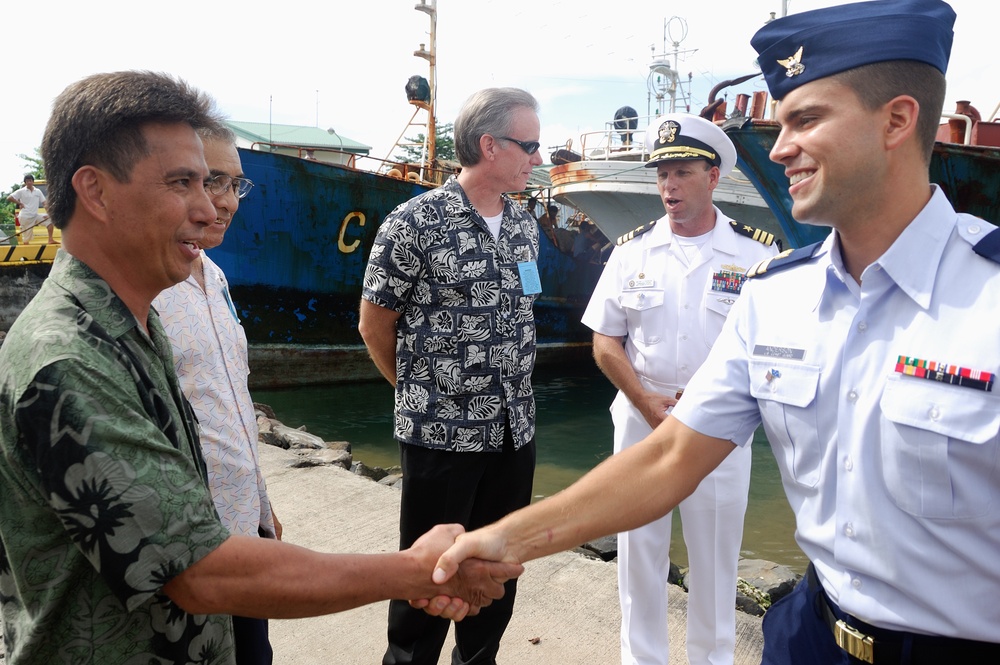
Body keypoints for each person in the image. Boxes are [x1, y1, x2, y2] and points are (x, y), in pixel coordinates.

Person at [427, 1, 1000, 663]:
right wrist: (507, 538)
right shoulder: (775, 297)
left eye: (806, 118)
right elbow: (668, 459)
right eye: (782, 123)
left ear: (897, 120)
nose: (780, 148)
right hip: (810, 636)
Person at [0, 70, 521, 665]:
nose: (208, 208)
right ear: (95, 191)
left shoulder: (130, 319)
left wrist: (253, 502)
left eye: (215, 182)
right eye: (182, 183)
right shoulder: (70, 360)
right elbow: (198, 573)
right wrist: (414, 572)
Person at [582, 113, 778, 665]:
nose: (668, 184)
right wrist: (643, 400)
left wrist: (716, 403)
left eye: (682, 172)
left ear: (713, 177)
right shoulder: (631, 252)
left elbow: (768, 349)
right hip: (641, 419)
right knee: (638, 552)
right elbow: (604, 341)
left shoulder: (754, 256)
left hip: (718, 424)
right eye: (663, 173)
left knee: (715, 558)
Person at [359, 87, 544, 665]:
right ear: (490, 146)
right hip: (442, 434)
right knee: (428, 572)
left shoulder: (522, 225)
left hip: (515, 432)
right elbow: (374, 324)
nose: (538, 158)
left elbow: (523, 308)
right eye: (530, 145)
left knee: (496, 570)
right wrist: (419, 393)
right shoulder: (414, 223)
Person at [152, 125, 281, 664]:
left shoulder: (215, 275)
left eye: (234, 184)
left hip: (244, 530)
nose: (223, 201)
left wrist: (263, 506)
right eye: (207, 181)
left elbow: (229, 400)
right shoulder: (147, 288)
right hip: (190, 548)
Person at [7, 174, 55, 244]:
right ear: (25, 182)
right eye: (27, 181)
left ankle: (50, 239)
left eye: (30, 180)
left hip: (35, 215)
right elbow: (9, 197)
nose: (29, 182)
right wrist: (19, 203)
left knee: (49, 219)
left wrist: (49, 213)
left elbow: (44, 203)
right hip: (25, 216)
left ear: (33, 181)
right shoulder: (21, 191)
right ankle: (26, 250)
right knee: (26, 238)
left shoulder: (37, 191)